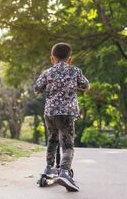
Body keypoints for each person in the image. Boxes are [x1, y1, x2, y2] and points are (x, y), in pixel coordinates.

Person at [34, 42, 90, 192]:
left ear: (52, 59)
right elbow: (86, 85)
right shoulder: (74, 71)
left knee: (52, 140)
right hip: (67, 113)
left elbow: (37, 88)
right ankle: (64, 171)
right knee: (67, 144)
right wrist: (72, 85)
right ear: (69, 59)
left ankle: (49, 168)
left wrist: (50, 86)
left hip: (50, 113)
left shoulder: (48, 72)